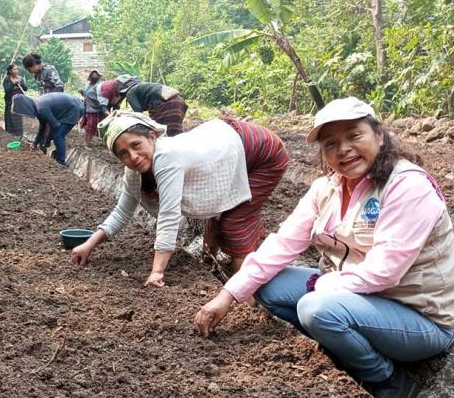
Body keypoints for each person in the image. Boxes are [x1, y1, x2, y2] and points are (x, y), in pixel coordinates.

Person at [194, 97, 454, 397]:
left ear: (379, 136)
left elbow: (384, 273)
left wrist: (322, 285)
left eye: (354, 136)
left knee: (316, 309)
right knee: (269, 284)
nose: (343, 149)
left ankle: (389, 382)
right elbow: (281, 243)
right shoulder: (327, 188)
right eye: (331, 143)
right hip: (358, 300)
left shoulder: (407, 187)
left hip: (419, 316)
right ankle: (346, 349)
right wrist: (228, 295)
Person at [71, 111, 288, 286]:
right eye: (123, 154)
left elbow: (169, 216)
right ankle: (210, 264)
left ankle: (245, 292)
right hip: (226, 144)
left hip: (261, 151)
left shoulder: (167, 158)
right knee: (215, 216)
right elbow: (123, 210)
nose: (133, 157)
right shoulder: (135, 171)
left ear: (152, 136)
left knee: (234, 222)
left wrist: (157, 272)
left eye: (136, 145)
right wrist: (89, 244)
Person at [12, 92, 84, 165]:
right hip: (70, 106)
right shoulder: (37, 105)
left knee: (58, 136)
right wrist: (35, 142)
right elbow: (43, 127)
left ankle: (61, 162)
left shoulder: (41, 109)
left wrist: (47, 141)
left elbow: (55, 126)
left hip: (74, 109)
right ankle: (58, 154)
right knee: (55, 135)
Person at [101, 76, 187, 136]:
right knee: (175, 132)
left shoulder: (130, 92)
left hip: (165, 104)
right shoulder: (143, 86)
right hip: (179, 101)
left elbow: (139, 113)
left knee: (162, 132)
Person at [80, 69, 107, 145]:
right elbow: (86, 95)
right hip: (89, 107)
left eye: (96, 75)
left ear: (98, 76)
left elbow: (101, 95)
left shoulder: (100, 84)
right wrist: (82, 92)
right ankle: (87, 143)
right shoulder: (88, 85)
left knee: (102, 124)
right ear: (90, 76)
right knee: (90, 125)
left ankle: (103, 142)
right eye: (93, 75)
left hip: (99, 107)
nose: (94, 76)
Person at [2, 64, 28, 136]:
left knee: (18, 117)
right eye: (14, 69)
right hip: (10, 101)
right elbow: (7, 90)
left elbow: (25, 89)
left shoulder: (20, 78)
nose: (16, 71)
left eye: (17, 69)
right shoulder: (7, 79)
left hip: (19, 102)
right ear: (10, 71)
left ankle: (19, 134)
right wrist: (13, 84)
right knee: (10, 117)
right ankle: (10, 134)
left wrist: (21, 83)